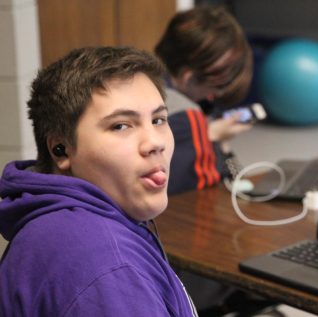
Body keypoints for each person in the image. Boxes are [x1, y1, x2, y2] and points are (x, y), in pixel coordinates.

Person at [0, 46, 198, 316]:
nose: (155, 142)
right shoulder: (107, 266)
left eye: (159, 119)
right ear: (61, 149)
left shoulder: (53, 222)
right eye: (121, 126)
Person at [154, 5, 255, 195]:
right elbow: (222, 187)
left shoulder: (143, 80)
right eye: (216, 87)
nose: (214, 96)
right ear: (188, 78)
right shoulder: (185, 116)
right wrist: (215, 140)